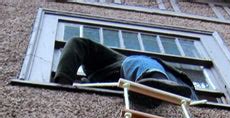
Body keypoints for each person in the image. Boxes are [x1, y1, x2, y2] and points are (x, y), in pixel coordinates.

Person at [54, 37, 197, 108]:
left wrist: (63, 84)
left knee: (131, 61)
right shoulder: (106, 85)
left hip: (181, 88)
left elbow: (76, 43)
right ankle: (152, 90)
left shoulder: (108, 62)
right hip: (171, 98)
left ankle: (158, 81)